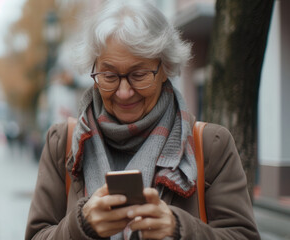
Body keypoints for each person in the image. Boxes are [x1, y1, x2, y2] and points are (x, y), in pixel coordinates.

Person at [25, 1, 260, 239]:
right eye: (109, 75)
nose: (124, 92)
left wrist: (178, 228)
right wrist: (81, 226)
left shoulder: (210, 145)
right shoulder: (62, 143)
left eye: (139, 75)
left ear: (166, 67)